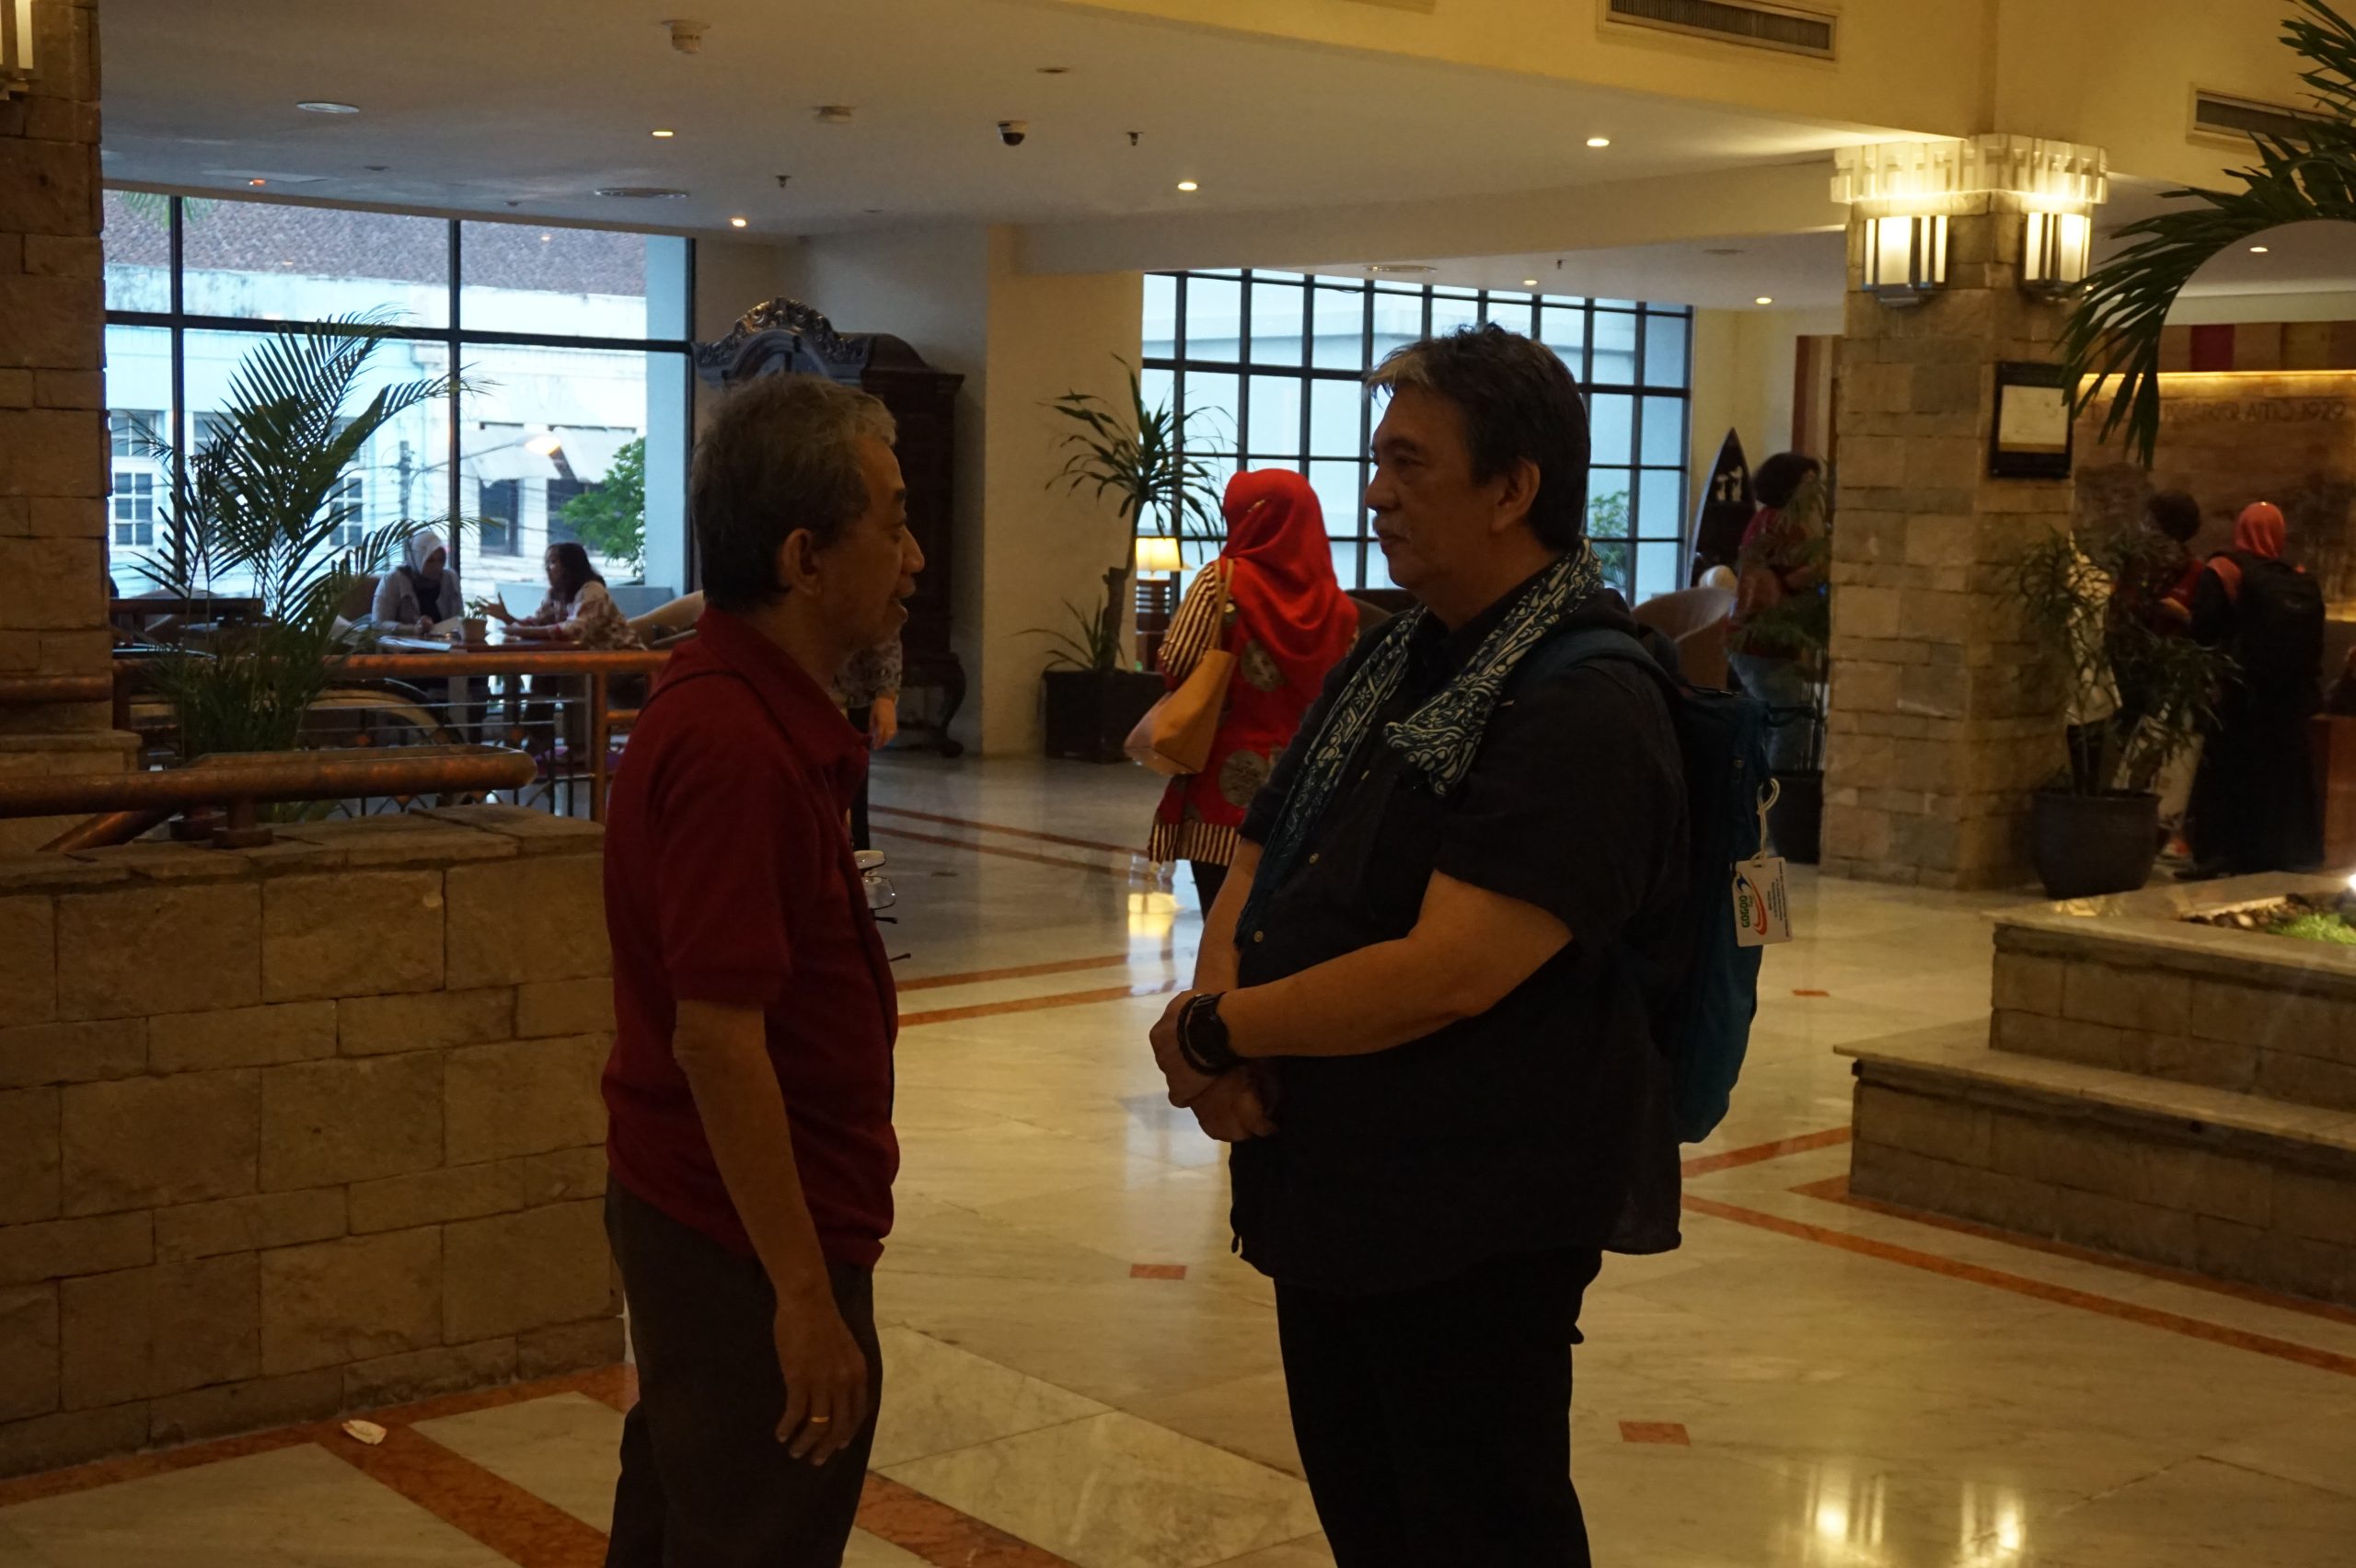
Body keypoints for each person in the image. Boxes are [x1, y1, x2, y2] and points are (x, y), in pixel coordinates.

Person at [1147, 324, 1687, 1568]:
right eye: (1375, 461)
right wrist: (1222, 1038)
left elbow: (1455, 970)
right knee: (1372, 1517)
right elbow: (1262, 851)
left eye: (1409, 464)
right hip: (1332, 1180)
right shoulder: (1396, 650)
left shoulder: (1581, 697)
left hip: (1470, 1208)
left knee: (1478, 1524)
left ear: (1512, 489)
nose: (1376, 493)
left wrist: (1217, 1030)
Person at [600, 372, 921, 1567]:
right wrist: (800, 1295)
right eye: (892, 521)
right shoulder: (735, 742)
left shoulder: (747, 710)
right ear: (804, 556)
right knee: (752, 1528)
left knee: (693, 1511)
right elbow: (719, 1040)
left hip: (729, 1219)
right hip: (740, 1239)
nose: (913, 557)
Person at [1148, 470, 1360, 911]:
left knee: (1220, 919)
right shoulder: (1340, 609)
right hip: (1305, 798)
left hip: (1221, 796)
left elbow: (1176, 663)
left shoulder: (1222, 582)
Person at [2184, 501, 2325, 876]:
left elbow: (2204, 631)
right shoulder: (2299, 578)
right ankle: (2284, 851)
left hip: (2240, 694)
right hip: (2290, 698)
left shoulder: (2224, 570)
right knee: (2282, 773)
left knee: (2230, 770)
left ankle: (2221, 852)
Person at [1723, 452, 1826, 769]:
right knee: (1792, 723)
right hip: (1763, 641)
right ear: (1789, 485)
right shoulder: (1782, 524)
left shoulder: (1766, 517)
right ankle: (1779, 793)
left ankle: (1756, 790)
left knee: (1772, 722)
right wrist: (1828, 560)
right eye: (1808, 483)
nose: (1816, 491)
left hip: (1752, 638)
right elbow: (1794, 577)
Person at [485, 541, 647, 650]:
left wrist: (522, 631)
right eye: (546, 563)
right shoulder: (553, 594)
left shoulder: (592, 590)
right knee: (543, 672)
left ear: (570, 566)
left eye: (552, 562)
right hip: (590, 660)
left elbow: (574, 630)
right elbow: (538, 624)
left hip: (623, 658)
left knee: (550, 670)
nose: (547, 568)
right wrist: (507, 617)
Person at [836, 637, 901, 851]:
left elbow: (883, 630)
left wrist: (886, 694)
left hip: (847, 695)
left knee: (851, 791)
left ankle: (855, 860)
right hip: (794, 688)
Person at [369, 529, 462, 634]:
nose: (437, 566)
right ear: (417, 558)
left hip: (444, 642)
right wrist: (413, 629)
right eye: (430, 560)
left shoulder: (450, 578)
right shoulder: (392, 579)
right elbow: (378, 624)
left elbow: (458, 620)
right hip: (403, 643)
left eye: (441, 560)